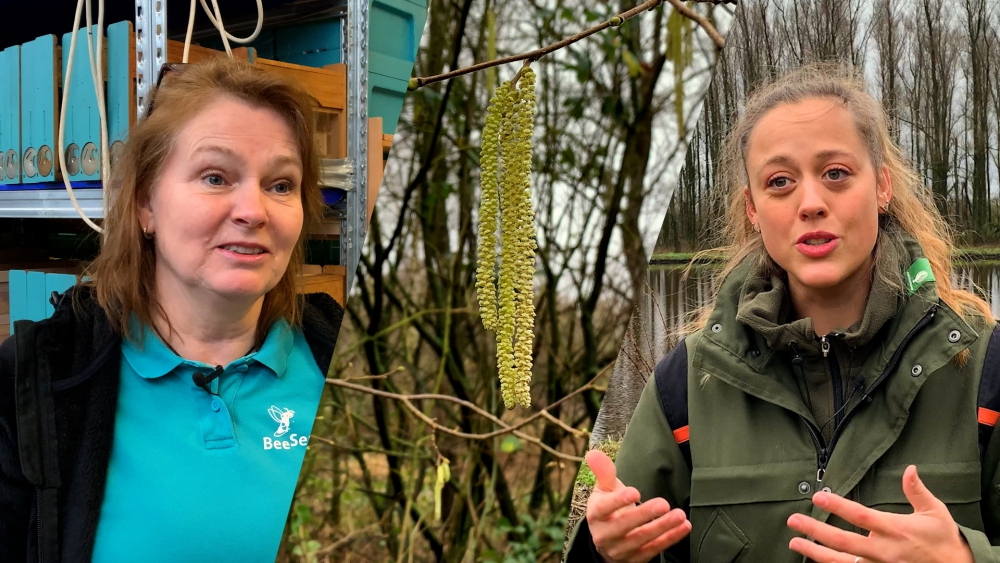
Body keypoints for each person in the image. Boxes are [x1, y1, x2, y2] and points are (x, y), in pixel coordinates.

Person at [564, 63, 1000, 562]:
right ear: (752, 209)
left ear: (882, 187)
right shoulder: (685, 388)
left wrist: (967, 559)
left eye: (835, 173)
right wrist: (601, 552)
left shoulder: (984, 372)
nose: (810, 202)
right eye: (780, 182)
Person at [0, 57, 344, 562]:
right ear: (146, 205)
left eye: (280, 185)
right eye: (215, 177)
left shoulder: (352, 362)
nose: (253, 210)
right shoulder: (35, 383)